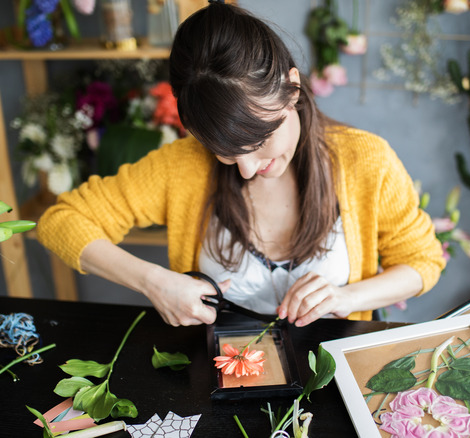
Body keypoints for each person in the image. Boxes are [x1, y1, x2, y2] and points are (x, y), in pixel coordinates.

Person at [37, 1, 445, 327]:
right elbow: (62, 220)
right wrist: (154, 282)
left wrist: (348, 297)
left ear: (293, 88)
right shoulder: (182, 166)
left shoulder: (365, 159)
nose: (248, 170)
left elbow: (423, 260)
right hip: (221, 375)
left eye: (261, 140)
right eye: (228, 152)